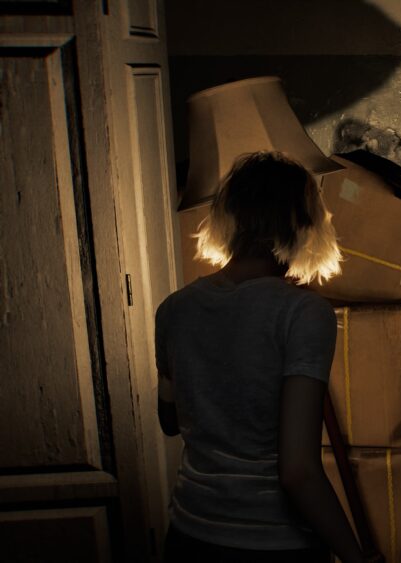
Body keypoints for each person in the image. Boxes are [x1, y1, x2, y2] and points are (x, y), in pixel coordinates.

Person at [155, 151, 375, 563]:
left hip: (189, 535)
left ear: (229, 217)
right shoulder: (303, 314)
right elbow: (298, 472)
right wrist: (355, 556)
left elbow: (169, 421)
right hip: (276, 543)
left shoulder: (173, 309)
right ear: (303, 222)